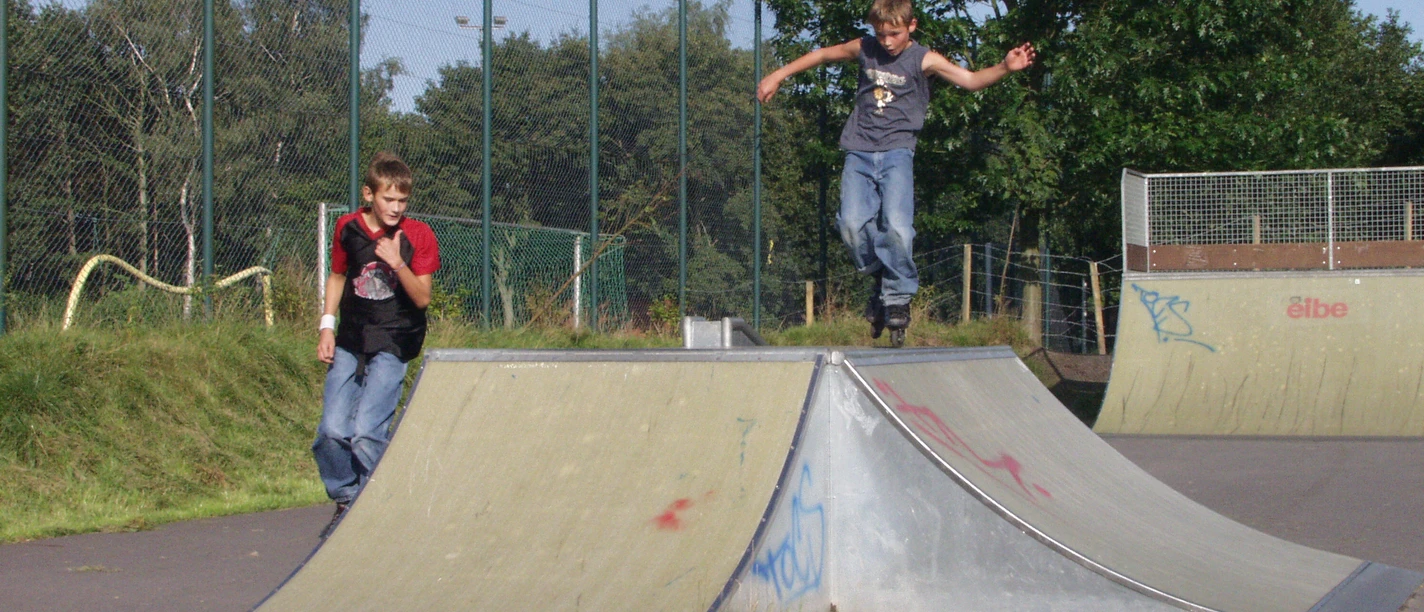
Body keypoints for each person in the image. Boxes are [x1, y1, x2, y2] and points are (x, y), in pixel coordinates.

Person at [757, 0, 1035, 345]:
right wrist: (777, 74)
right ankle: (881, 278)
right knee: (850, 225)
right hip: (858, 150)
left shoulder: (924, 58)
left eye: (894, 34)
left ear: (911, 26)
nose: (887, 41)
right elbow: (822, 55)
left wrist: (1006, 67)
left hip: (897, 153)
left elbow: (971, 80)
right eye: (881, 34)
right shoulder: (865, 47)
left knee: (899, 227)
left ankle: (898, 295)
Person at [313, 152, 440, 537]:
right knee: (332, 431)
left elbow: (422, 299)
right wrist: (326, 327)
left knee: (367, 430)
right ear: (369, 194)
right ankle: (347, 498)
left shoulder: (418, 235)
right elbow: (337, 277)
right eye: (389, 200)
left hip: (395, 338)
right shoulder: (347, 227)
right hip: (352, 336)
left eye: (403, 201)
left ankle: (389, 501)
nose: (396, 208)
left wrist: (396, 262)